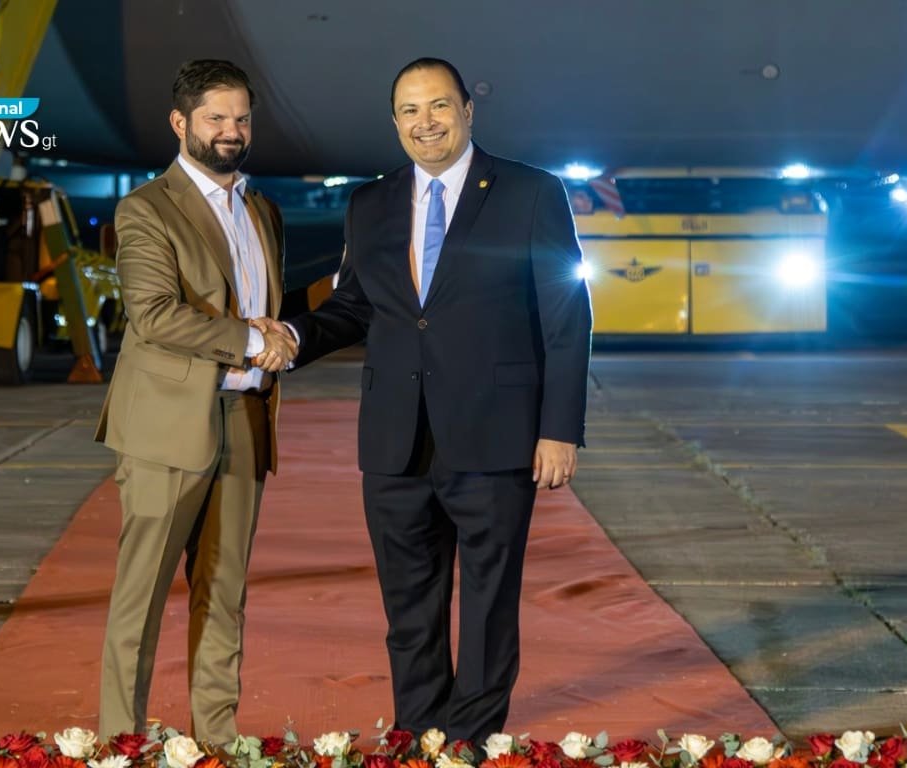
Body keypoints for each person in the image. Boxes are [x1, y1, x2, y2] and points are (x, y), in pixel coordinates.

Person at [257, 57, 592, 745]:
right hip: (395, 438)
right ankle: (419, 734)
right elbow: (355, 306)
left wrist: (559, 429)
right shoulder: (371, 203)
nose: (425, 122)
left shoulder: (531, 192)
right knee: (408, 603)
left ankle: (470, 742)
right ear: (395, 122)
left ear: (468, 110)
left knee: (489, 602)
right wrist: (294, 335)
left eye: (439, 105)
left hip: (496, 434)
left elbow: (566, 315)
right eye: (410, 110)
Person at [94, 59, 295, 744]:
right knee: (142, 596)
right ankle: (121, 741)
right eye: (216, 118)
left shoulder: (262, 210)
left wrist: (295, 327)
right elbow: (154, 314)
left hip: (245, 419)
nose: (231, 130)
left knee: (224, 594)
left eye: (241, 118)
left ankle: (216, 740)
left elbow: (268, 312)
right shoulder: (146, 208)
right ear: (180, 123)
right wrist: (253, 341)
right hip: (167, 427)